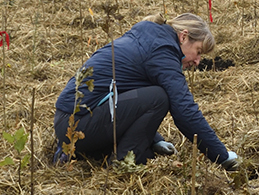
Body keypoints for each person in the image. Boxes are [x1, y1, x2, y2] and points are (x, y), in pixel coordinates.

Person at [53, 12, 238, 169]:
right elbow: (185, 110)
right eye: (198, 52)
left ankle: (84, 153)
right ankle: (123, 163)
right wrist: (221, 156)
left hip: (67, 123)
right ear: (183, 36)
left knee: (154, 101)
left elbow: (130, 93)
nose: (197, 61)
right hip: (78, 125)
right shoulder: (163, 51)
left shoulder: (148, 36)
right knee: (158, 98)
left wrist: (154, 140)